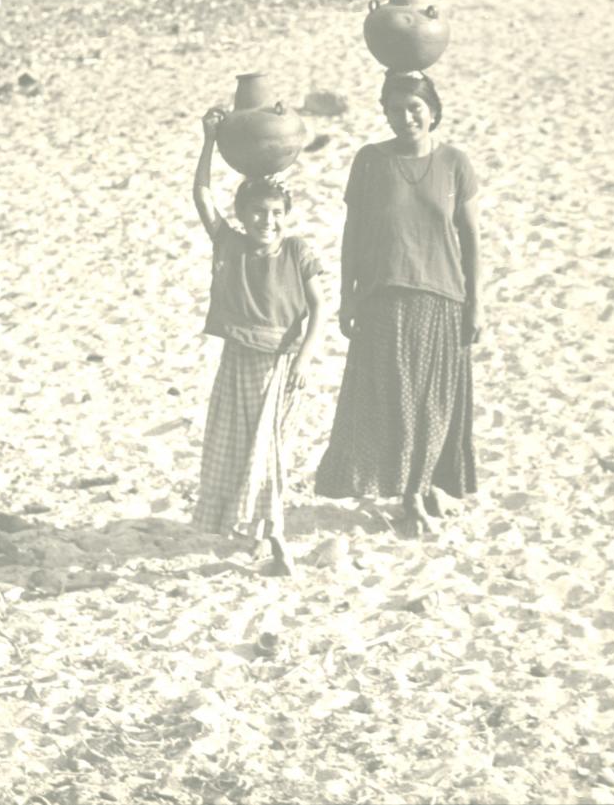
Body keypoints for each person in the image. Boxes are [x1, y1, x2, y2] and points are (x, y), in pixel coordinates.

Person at [314, 70, 483, 533]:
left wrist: (477, 303)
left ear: (433, 111)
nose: (405, 117)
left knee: (435, 402)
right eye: (395, 109)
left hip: (443, 296)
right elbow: (353, 234)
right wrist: (347, 296)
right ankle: (410, 495)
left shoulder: (455, 163)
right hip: (383, 296)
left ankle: (424, 484)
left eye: (414, 108)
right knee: (398, 399)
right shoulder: (370, 161)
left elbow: (470, 239)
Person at [192, 107, 325, 574]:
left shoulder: (297, 252)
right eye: (256, 213)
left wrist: (305, 361)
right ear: (243, 216)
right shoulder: (231, 245)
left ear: (286, 215)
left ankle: (277, 540)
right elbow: (202, 196)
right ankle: (260, 535)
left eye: (275, 214)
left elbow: (319, 311)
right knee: (238, 449)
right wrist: (210, 139)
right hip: (239, 362)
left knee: (268, 453)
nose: (266, 222)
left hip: (280, 366)